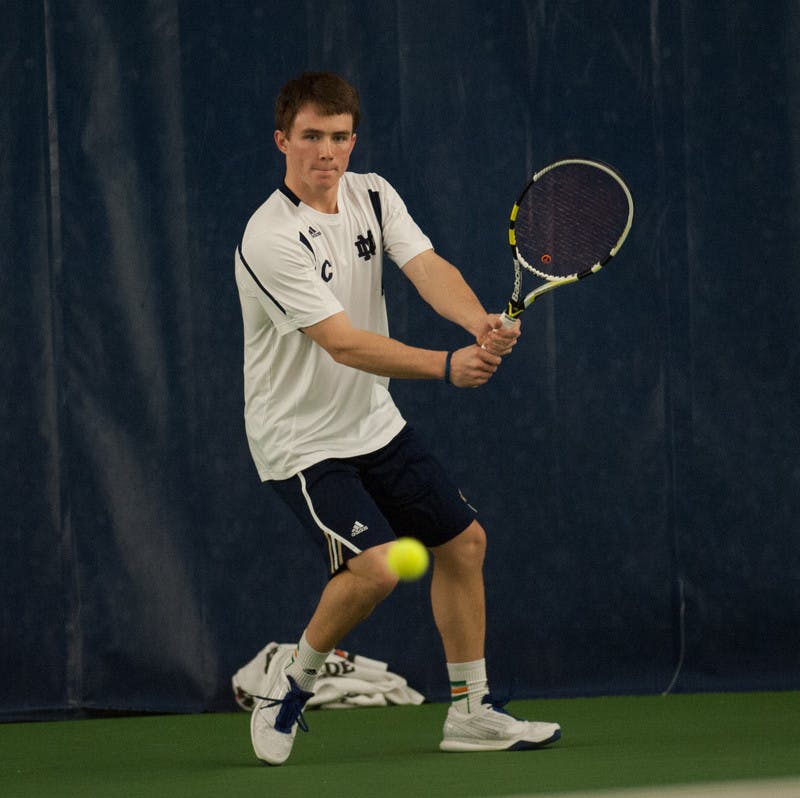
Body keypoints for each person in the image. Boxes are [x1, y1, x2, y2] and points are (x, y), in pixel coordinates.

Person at [234, 71, 561, 766]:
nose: (328, 152)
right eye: (312, 137)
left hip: (371, 424)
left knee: (463, 545)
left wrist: (477, 321)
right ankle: (288, 688)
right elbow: (343, 341)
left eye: (340, 137)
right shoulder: (269, 237)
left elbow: (425, 264)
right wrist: (447, 366)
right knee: (379, 569)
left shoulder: (373, 194)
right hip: (300, 441)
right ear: (283, 141)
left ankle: (471, 711)